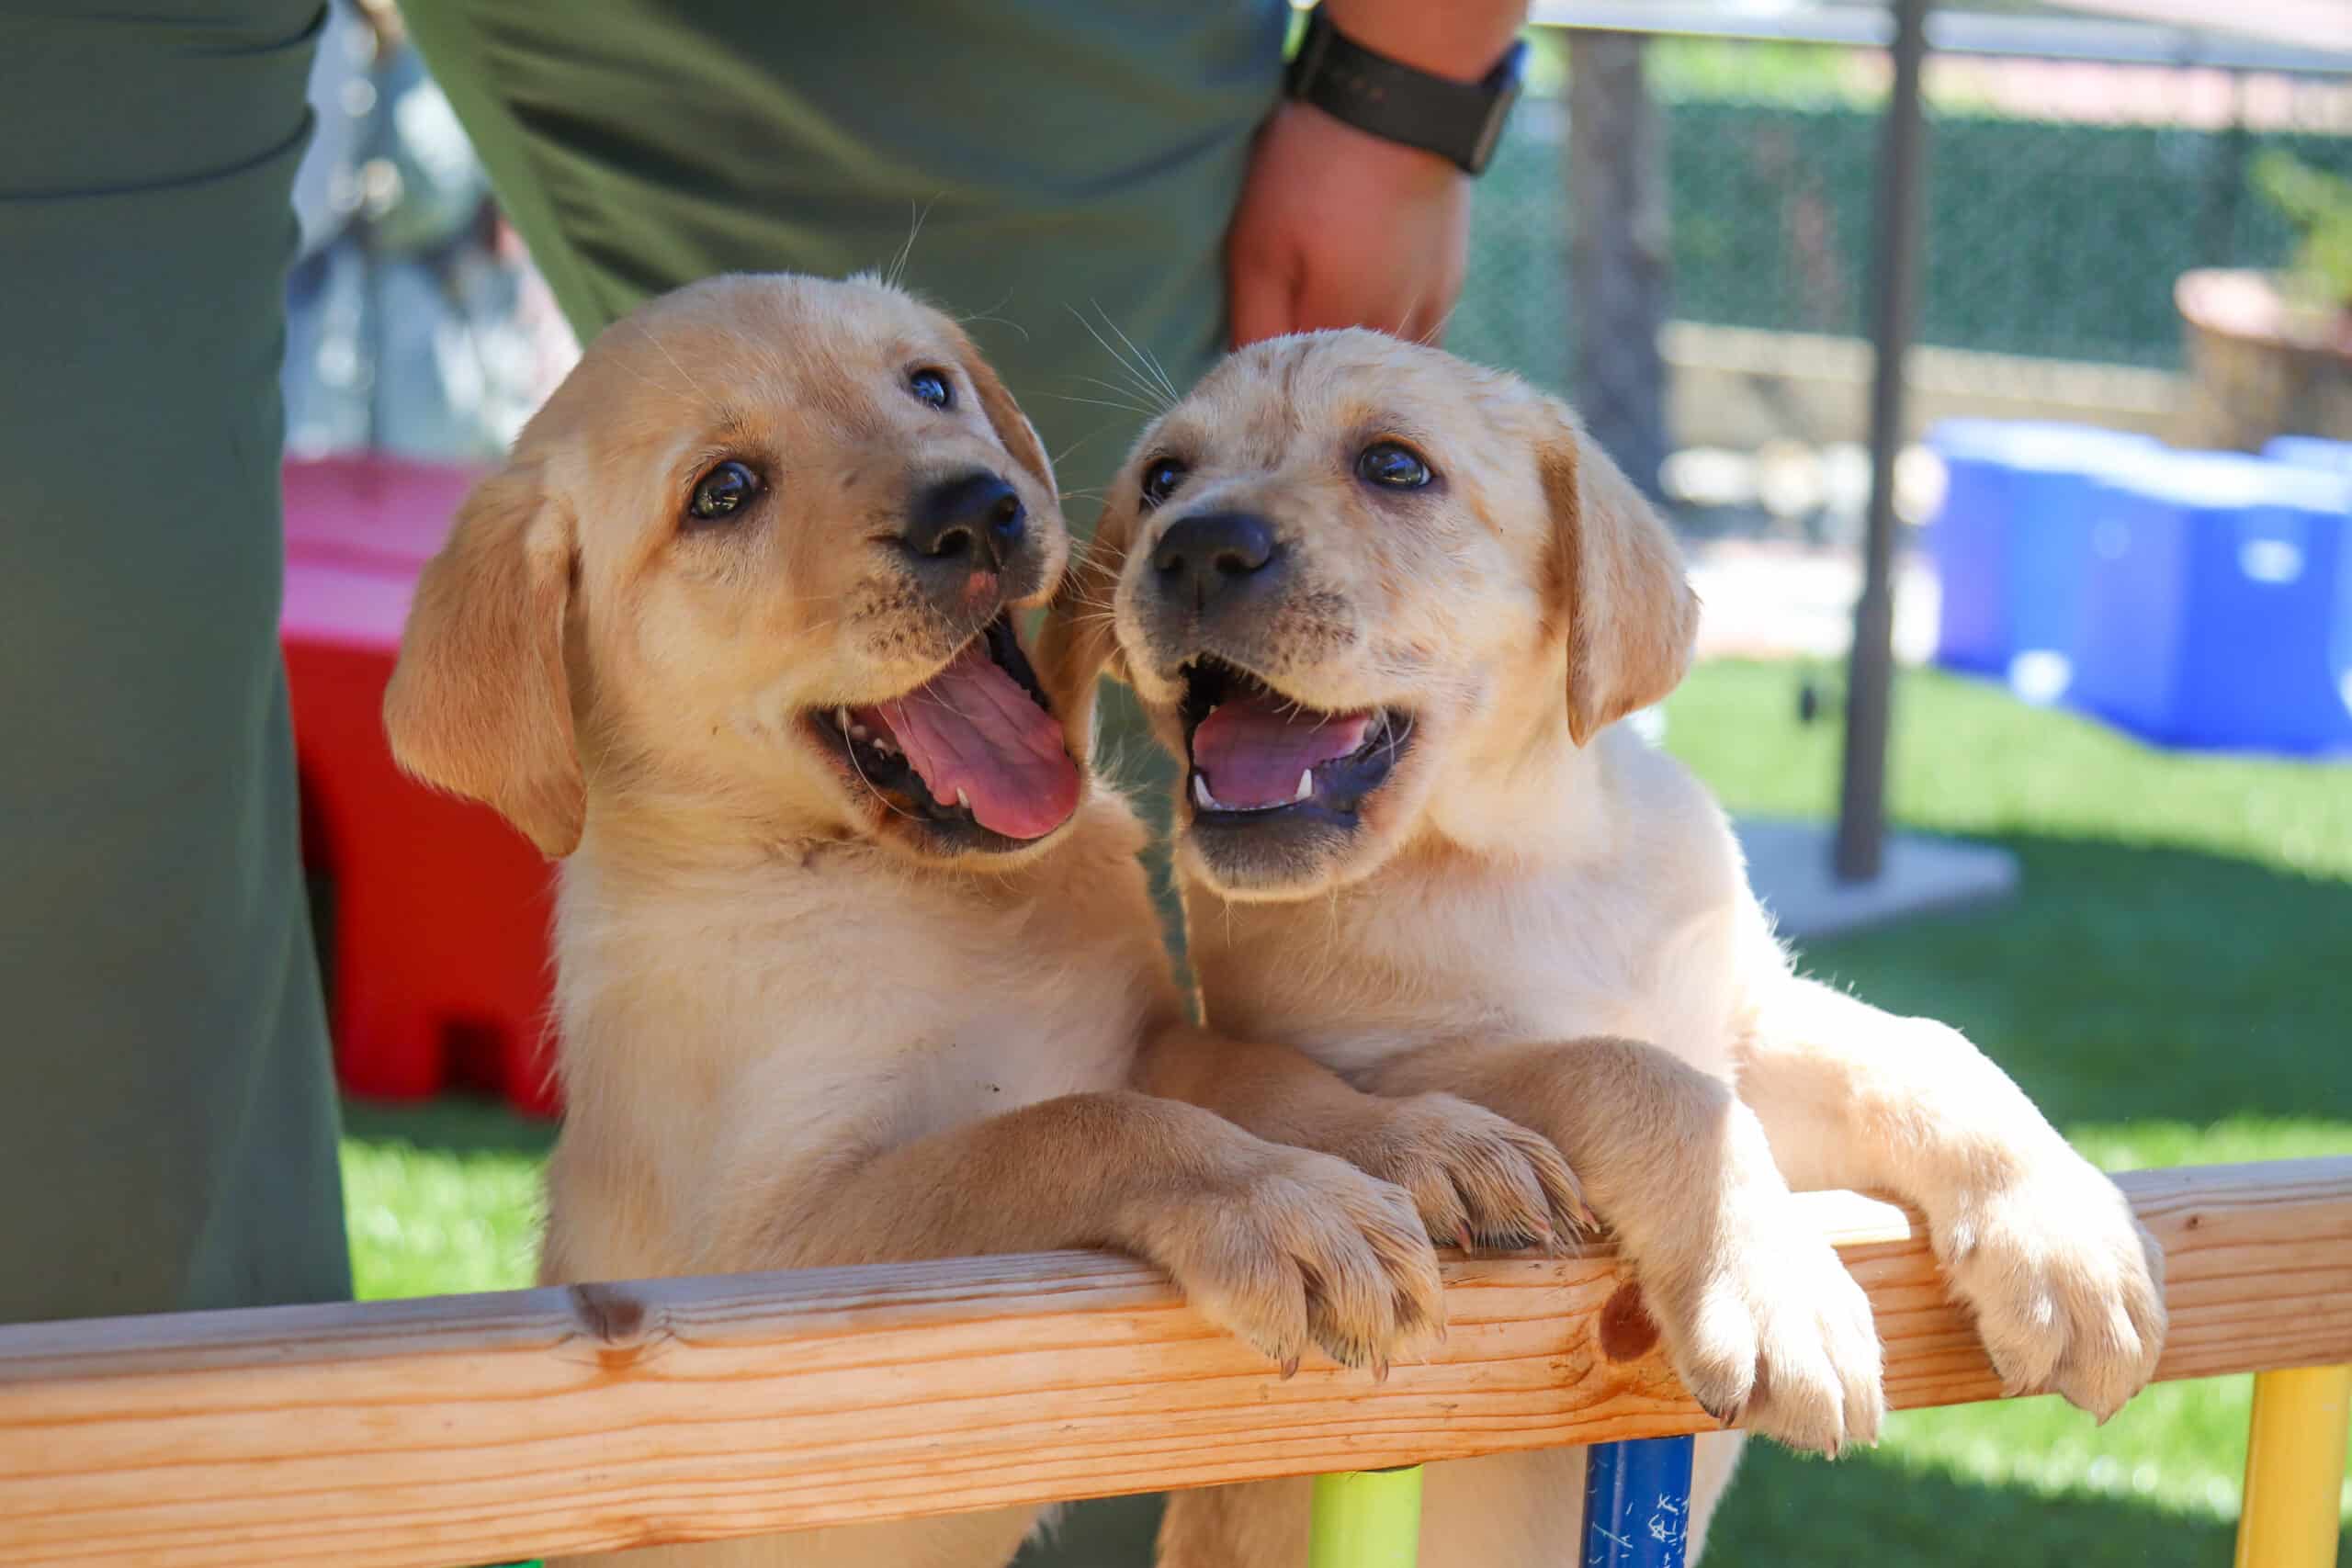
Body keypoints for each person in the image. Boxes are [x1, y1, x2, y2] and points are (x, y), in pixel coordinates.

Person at [0, 0, 1526, 1333]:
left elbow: (1150, 1068)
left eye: (934, 386)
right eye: (726, 492)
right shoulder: (699, 945)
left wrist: (1318, 1125)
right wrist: (1140, 1159)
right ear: (548, 640)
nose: (950, 480)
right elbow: (789, 1264)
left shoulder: (1037, 836)